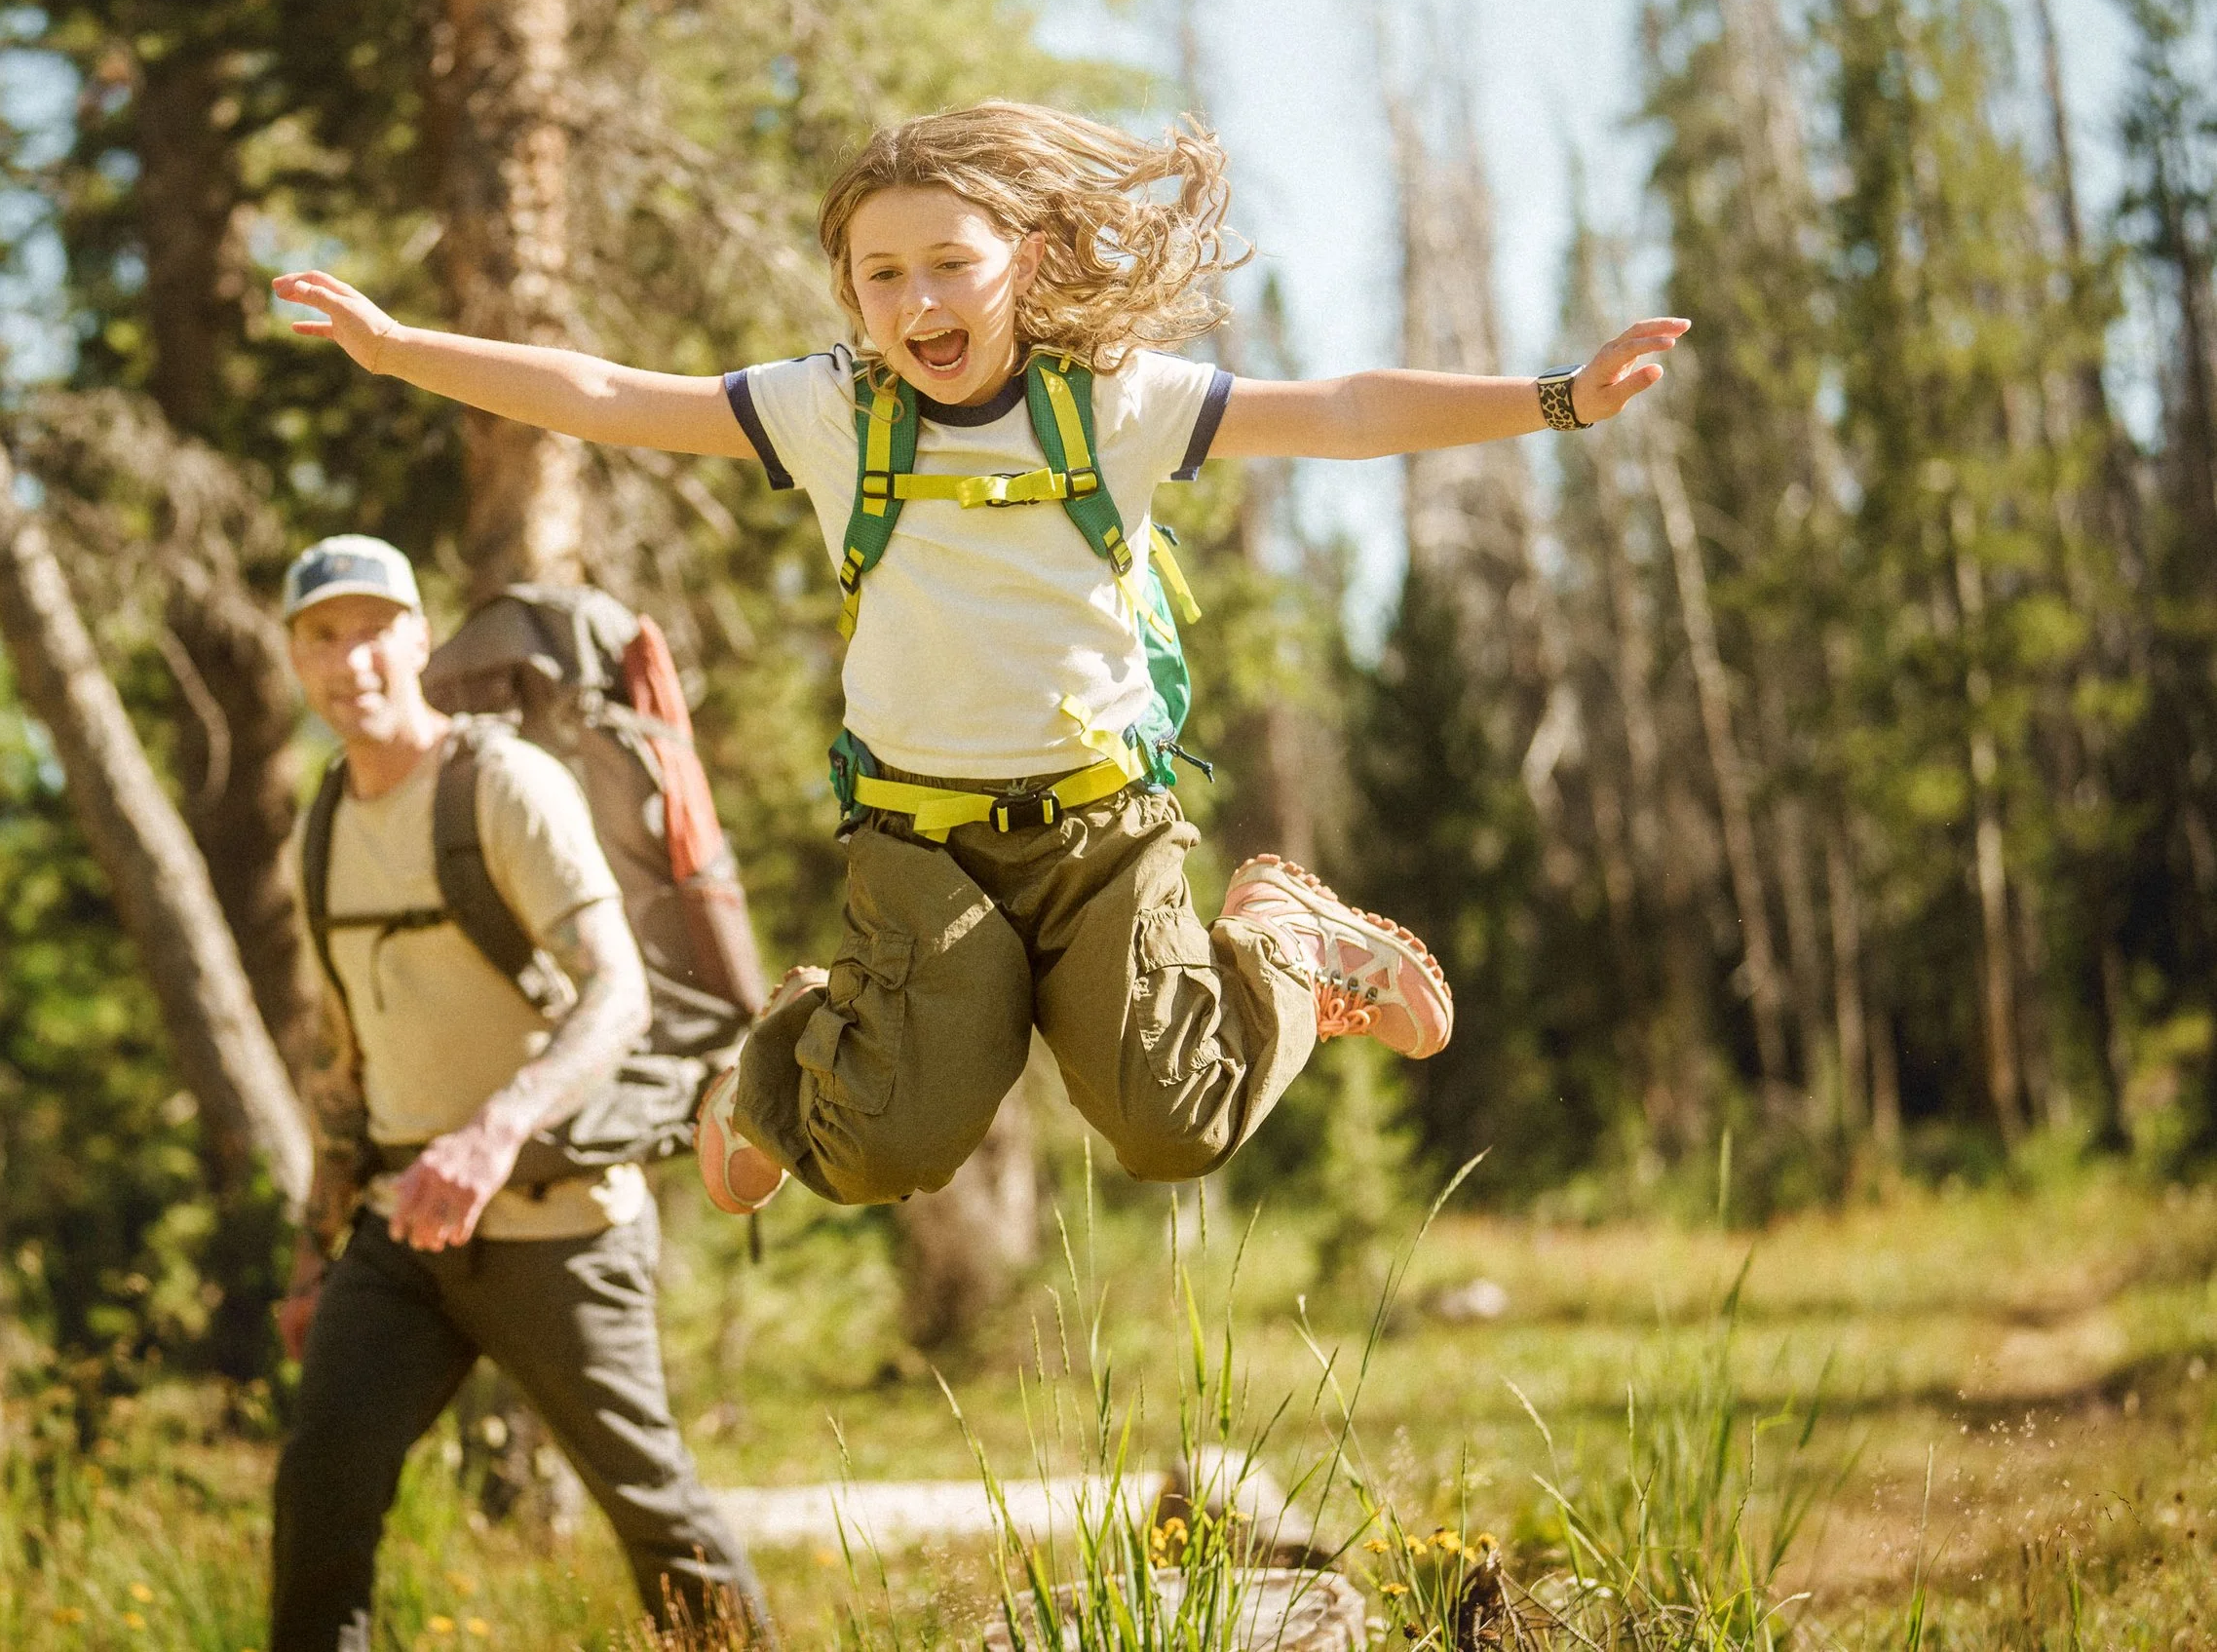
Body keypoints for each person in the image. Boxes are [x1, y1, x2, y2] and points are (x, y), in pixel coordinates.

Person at [268, 102, 1688, 1221]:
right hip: (920, 842)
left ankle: (1283, 940)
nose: (918, 299)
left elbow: (1345, 407)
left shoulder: (1116, 406)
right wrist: (402, 353)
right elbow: (603, 395)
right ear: (852, 294)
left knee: (1173, 1125)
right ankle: (774, 1068)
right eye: (883, 274)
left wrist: (1559, 397)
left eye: (953, 261)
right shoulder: (833, 415)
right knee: (882, 1149)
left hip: (1100, 827)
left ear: (1033, 258)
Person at [268, 535, 768, 1651]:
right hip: (402, 1236)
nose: (350, 659)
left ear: (418, 638)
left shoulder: (503, 783)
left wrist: (493, 1130)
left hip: (561, 1227)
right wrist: (314, 1258)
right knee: (318, 1500)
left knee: (658, 1520)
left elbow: (618, 993)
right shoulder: (323, 824)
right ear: (296, 659)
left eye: (372, 628)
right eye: (321, 635)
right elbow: (343, 1065)